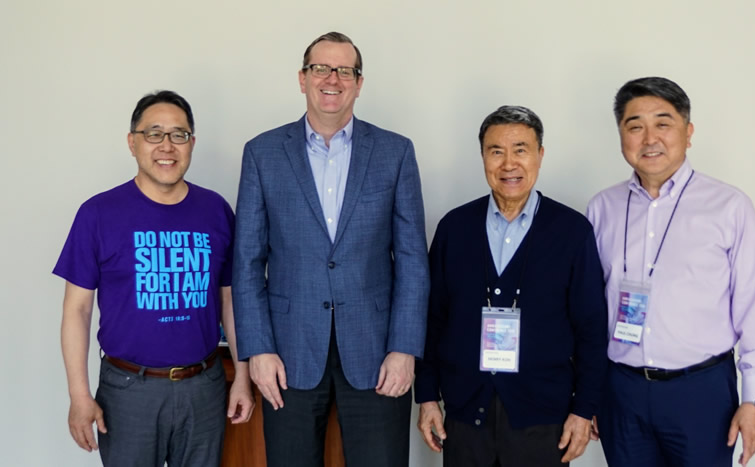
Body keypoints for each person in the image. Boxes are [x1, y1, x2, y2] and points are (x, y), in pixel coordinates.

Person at [232, 32, 429, 467]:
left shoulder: (395, 152)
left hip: (377, 352)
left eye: (344, 70)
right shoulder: (262, 154)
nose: (332, 79)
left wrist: (404, 349)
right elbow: (246, 263)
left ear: (359, 83)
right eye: (321, 68)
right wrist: (258, 350)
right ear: (302, 78)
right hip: (287, 353)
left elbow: (413, 260)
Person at [586, 76, 755, 467]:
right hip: (620, 391)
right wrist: (587, 392)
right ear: (621, 135)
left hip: (701, 392)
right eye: (635, 126)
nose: (650, 139)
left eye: (663, 123)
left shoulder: (728, 206)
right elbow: (587, 309)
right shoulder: (602, 208)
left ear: (688, 132)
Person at [54, 90, 254, 466]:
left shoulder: (216, 210)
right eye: (154, 133)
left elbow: (231, 300)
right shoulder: (98, 213)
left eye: (179, 134)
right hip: (128, 390)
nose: (167, 146)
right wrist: (79, 395)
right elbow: (77, 310)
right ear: (133, 142)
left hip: (204, 387)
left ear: (192, 143)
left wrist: (242, 376)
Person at [415, 105, 608, 467]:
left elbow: (591, 329)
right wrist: (426, 396)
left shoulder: (571, 231)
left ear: (540, 155)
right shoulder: (454, 228)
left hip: (543, 418)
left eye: (521, 150)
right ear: (483, 156)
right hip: (464, 415)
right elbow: (431, 320)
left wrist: (584, 409)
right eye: (496, 151)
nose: (509, 164)